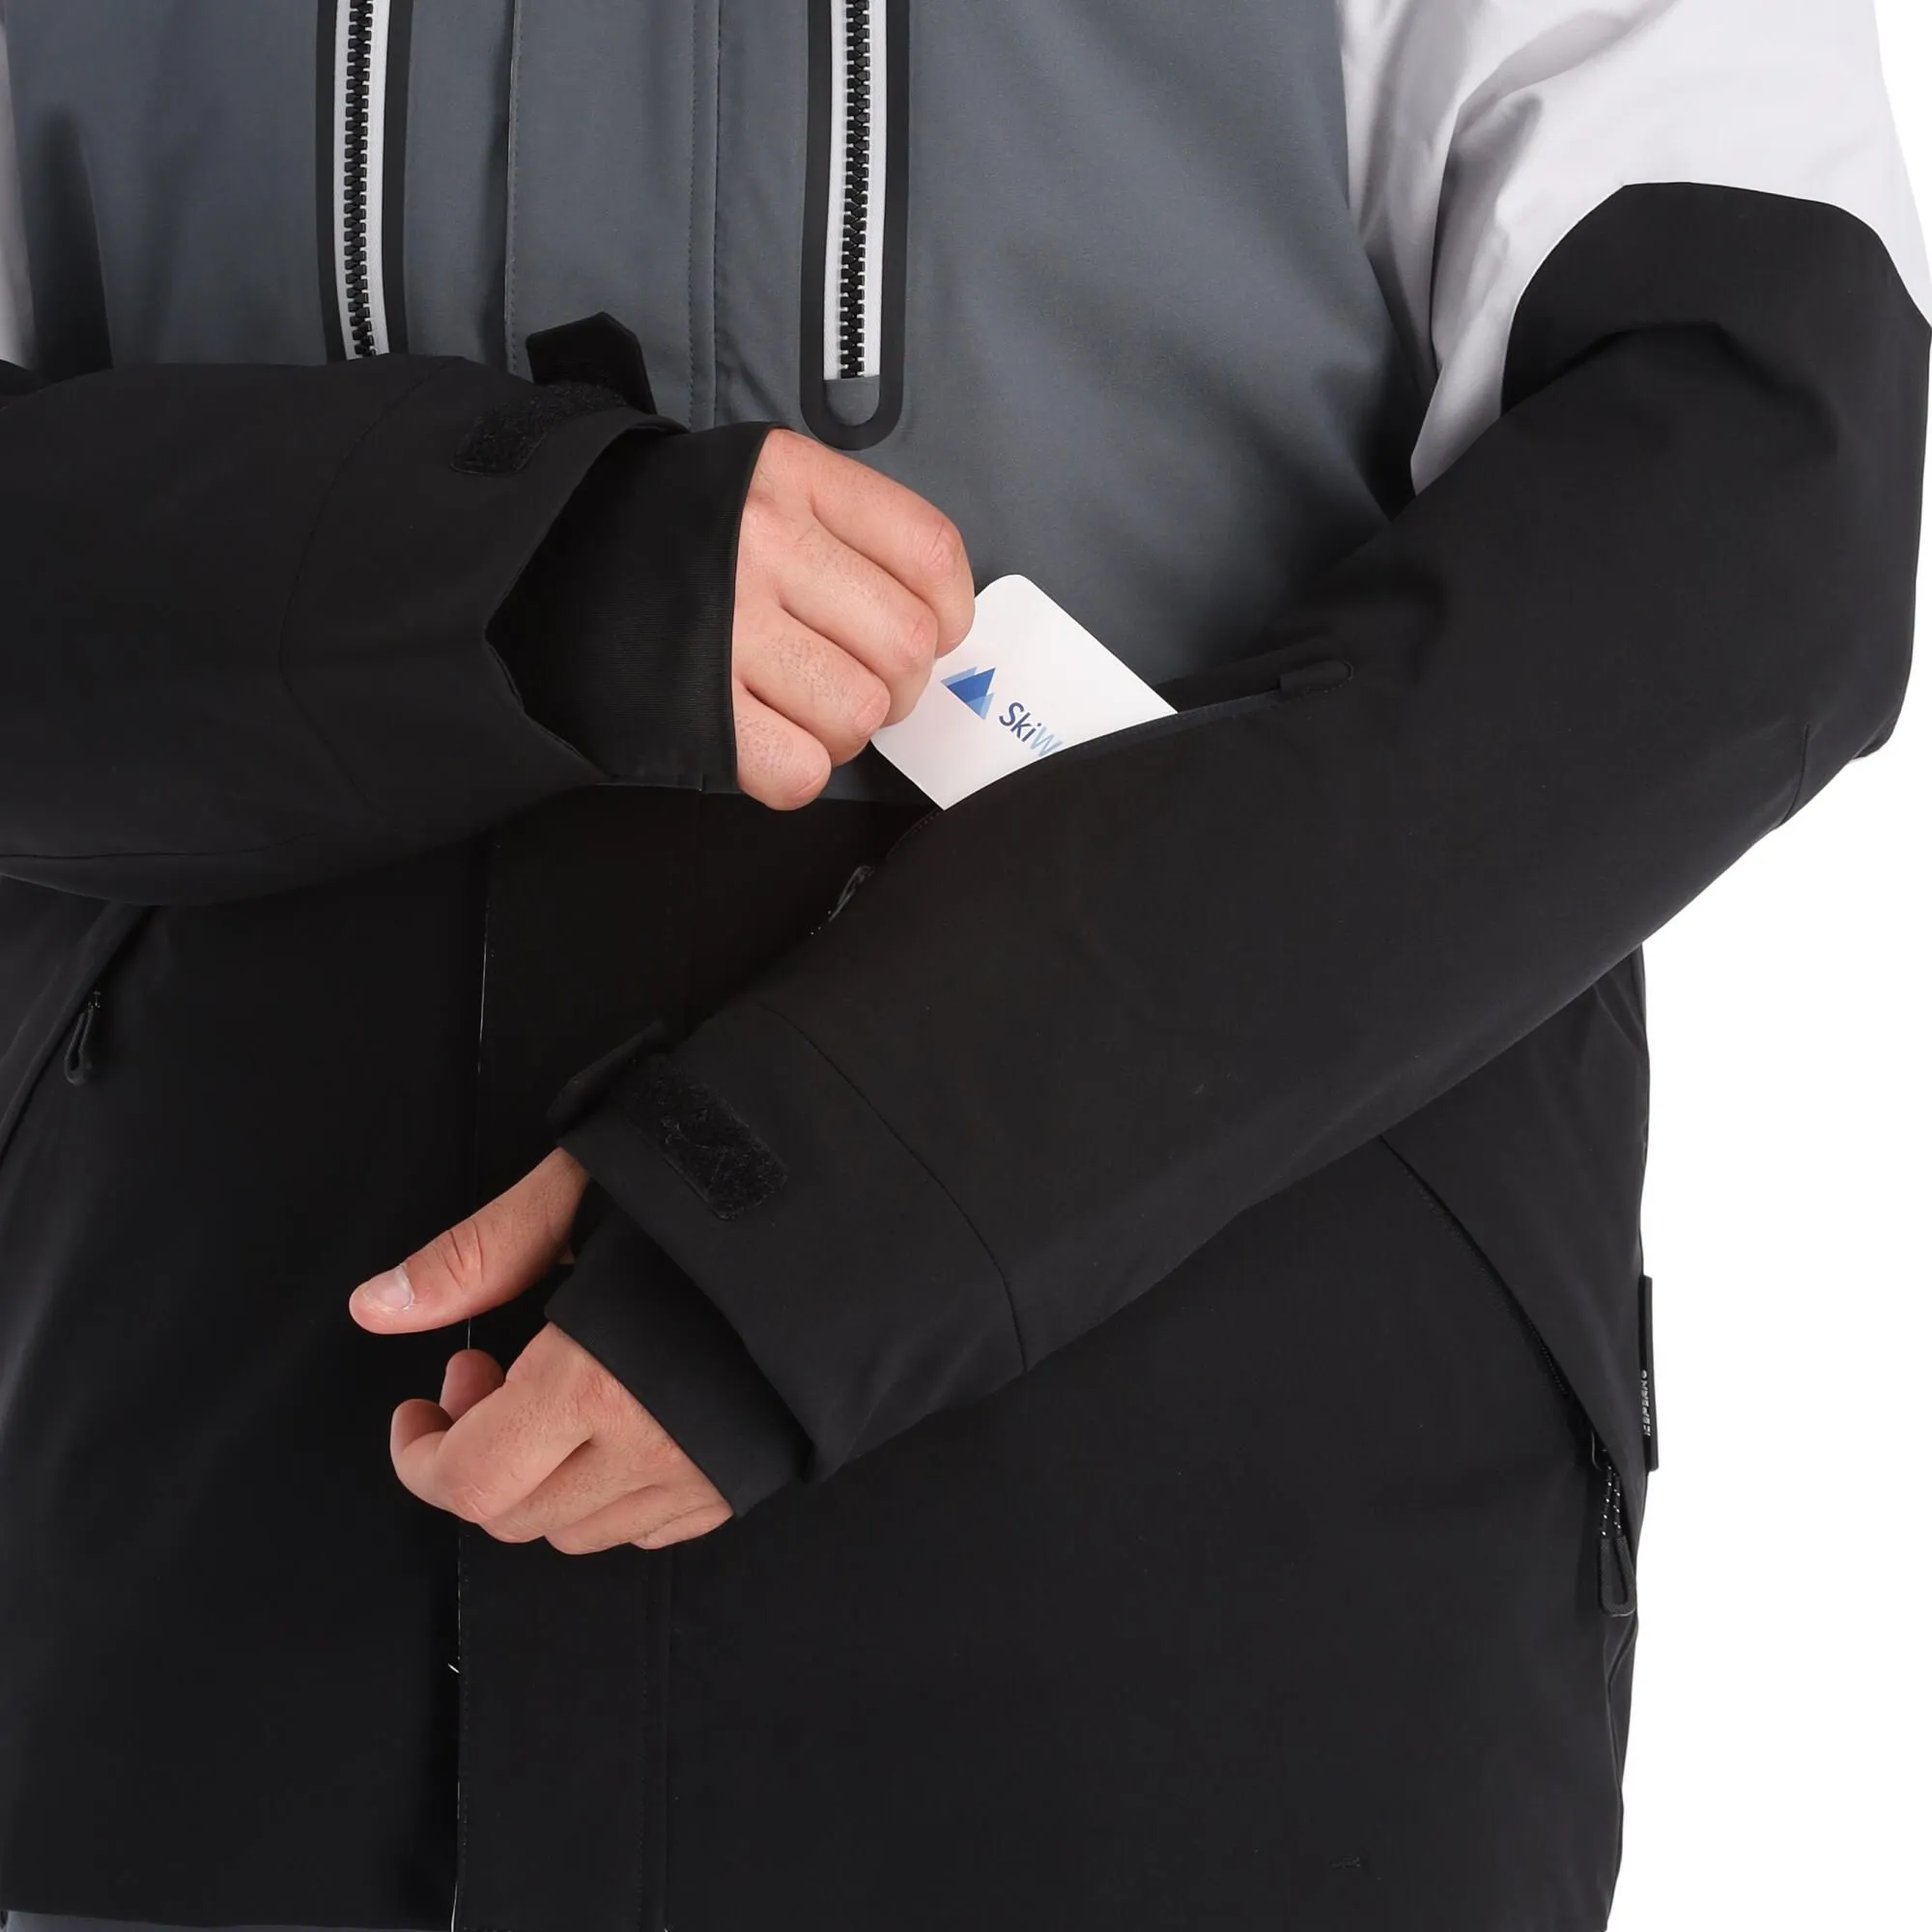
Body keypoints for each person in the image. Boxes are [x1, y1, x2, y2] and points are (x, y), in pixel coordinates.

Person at [0, 3, 1923, 1928]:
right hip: (217, 1551)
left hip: (1214, 1558)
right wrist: (502, 569)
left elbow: (1749, 498)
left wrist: (822, 1209)